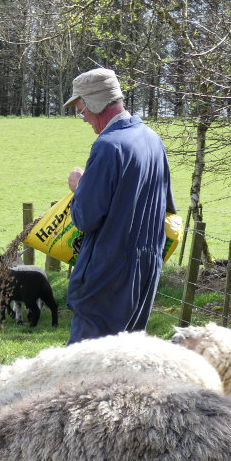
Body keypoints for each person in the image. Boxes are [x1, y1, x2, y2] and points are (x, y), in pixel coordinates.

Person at [63, 67, 176, 345]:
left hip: (107, 274)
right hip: (147, 268)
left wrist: (79, 187)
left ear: (94, 103)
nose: (84, 118)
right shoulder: (152, 139)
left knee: (83, 369)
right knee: (124, 364)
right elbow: (167, 207)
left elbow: (85, 218)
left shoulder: (108, 146)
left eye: (82, 110)